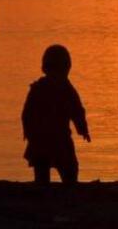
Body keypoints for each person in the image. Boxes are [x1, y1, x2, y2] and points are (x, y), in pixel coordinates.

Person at [21, 44, 90, 185]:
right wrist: (82, 128)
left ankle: (44, 190)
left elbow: (26, 114)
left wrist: (28, 132)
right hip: (57, 139)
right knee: (69, 170)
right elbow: (77, 110)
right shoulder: (65, 88)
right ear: (67, 67)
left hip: (42, 139)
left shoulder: (38, 88)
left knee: (46, 172)